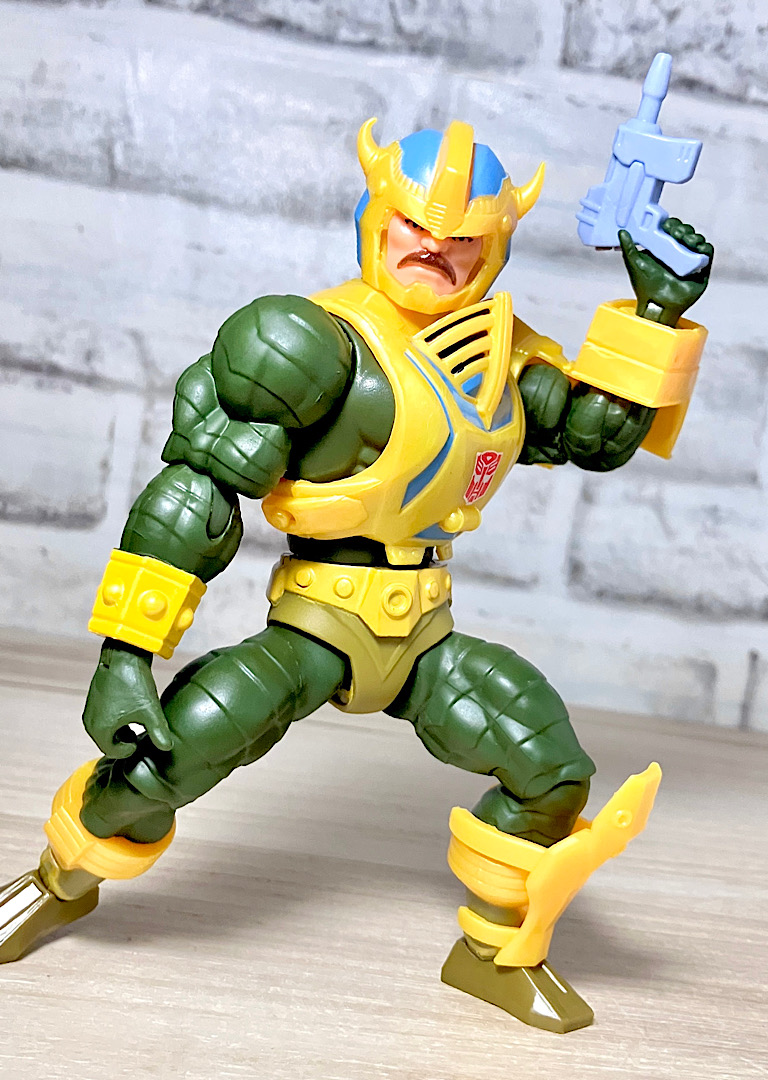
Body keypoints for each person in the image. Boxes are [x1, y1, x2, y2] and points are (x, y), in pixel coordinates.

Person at [0, 118, 712, 1032]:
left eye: (462, 240)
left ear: (495, 246)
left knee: (552, 770)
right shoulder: (308, 343)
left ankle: (494, 951)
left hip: (425, 635)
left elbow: (598, 433)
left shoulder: (505, 358)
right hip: (314, 624)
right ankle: (57, 881)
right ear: (375, 218)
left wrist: (653, 315)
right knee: (165, 756)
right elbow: (196, 493)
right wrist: (125, 655)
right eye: (415, 225)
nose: (435, 249)